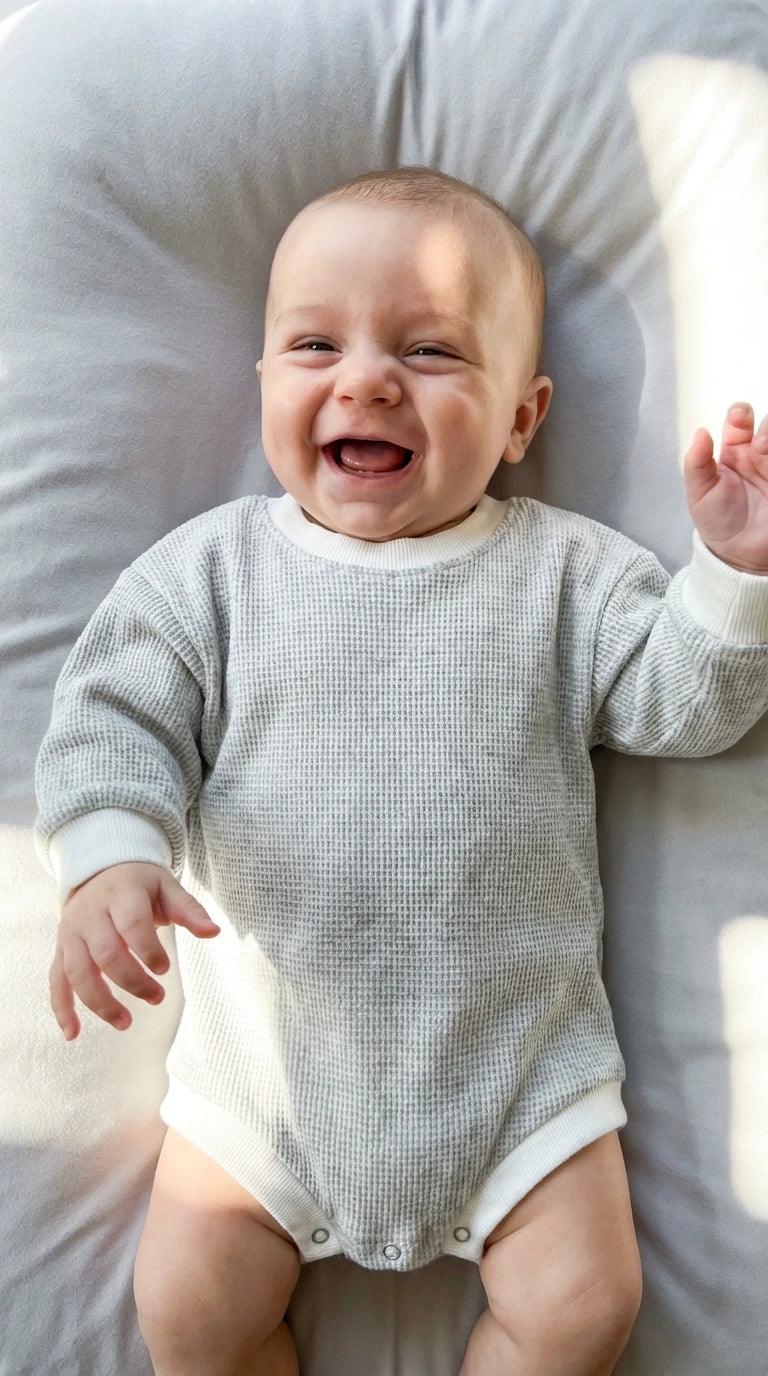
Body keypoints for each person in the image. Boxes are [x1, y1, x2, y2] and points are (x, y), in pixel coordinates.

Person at [35, 167, 768, 1376]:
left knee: (583, 1305)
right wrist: (110, 858)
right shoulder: (211, 574)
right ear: (266, 381)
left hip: (519, 1078)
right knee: (188, 1311)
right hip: (264, 1088)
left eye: (428, 352)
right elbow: (113, 712)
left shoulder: (564, 575)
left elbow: (679, 699)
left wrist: (733, 577)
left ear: (522, 419)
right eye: (314, 342)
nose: (365, 377)